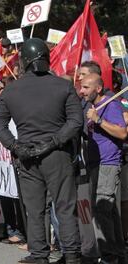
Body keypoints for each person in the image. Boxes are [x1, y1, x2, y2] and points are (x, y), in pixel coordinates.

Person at [0, 38, 82, 264]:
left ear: (25, 62)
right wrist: (53, 141)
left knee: (35, 209)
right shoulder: (63, 85)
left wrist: (15, 146)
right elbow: (76, 121)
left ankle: (40, 254)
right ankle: (71, 255)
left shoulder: (12, 90)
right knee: (64, 207)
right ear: (46, 58)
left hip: (27, 155)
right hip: (57, 154)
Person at [80, 73, 127, 263]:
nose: (81, 91)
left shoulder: (111, 104)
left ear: (98, 89)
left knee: (101, 210)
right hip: (97, 164)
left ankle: (108, 256)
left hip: (108, 163)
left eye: (86, 87)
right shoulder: (94, 105)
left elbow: (122, 132)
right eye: (81, 86)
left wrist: (98, 120)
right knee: (109, 211)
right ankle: (117, 253)